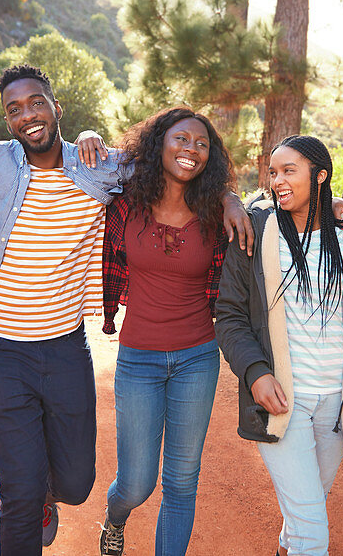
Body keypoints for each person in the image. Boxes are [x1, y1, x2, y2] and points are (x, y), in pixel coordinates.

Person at [0, 66, 254, 554]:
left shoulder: (97, 167)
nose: (28, 115)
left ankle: (49, 492)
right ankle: (32, 495)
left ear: (57, 106)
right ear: (6, 120)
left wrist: (230, 195)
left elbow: (176, 165)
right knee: (19, 495)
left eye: (37, 102)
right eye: (15, 108)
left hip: (66, 345)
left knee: (76, 484)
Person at [214, 135, 343, 556]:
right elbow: (231, 316)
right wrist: (255, 373)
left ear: (320, 175)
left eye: (288, 170)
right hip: (282, 402)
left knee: (304, 511)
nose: (277, 180)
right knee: (313, 533)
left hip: (339, 402)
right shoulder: (255, 233)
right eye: (273, 172)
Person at [97, 108, 236, 556]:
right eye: (181, 139)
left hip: (197, 358)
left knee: (181, 481)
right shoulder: (125, 204)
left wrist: (329, 203)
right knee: (137, 483)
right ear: (159, 144)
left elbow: (274, 211)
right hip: (139, 358)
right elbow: (80, 166)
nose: (190, 149)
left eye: (201, 143)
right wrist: (84, 133)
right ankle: (115, 517)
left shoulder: (218, 213)